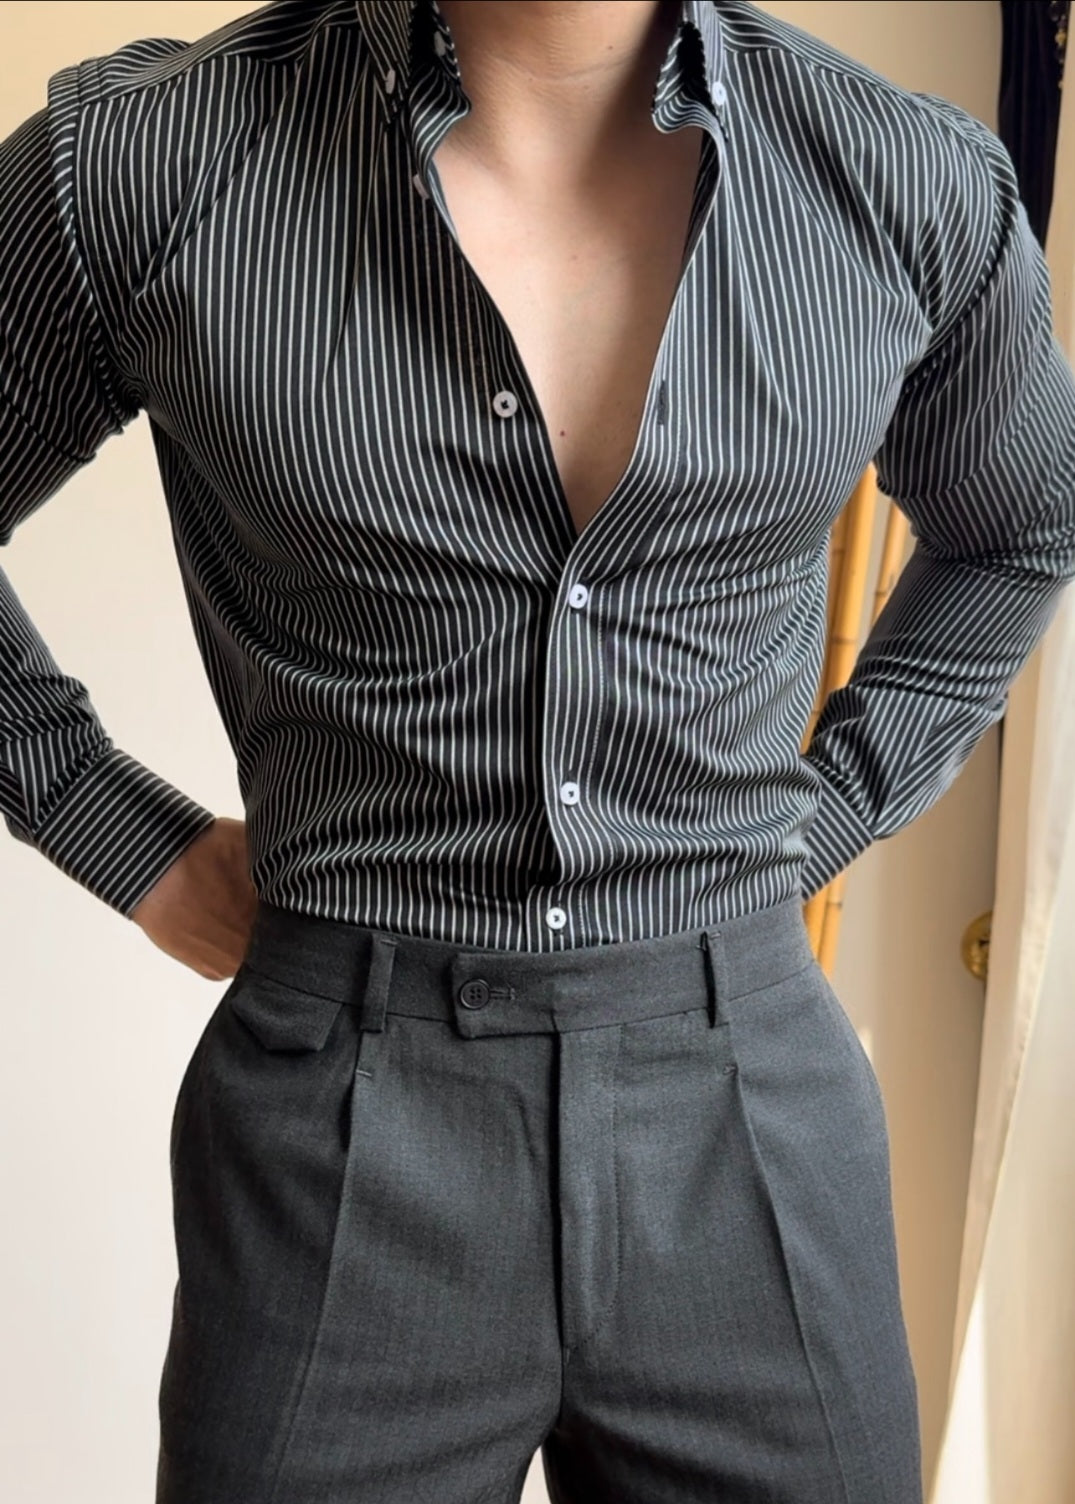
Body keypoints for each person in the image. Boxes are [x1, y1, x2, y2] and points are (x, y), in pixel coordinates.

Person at [2, 0, 1074, 1499]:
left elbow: (1022, 527)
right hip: (341, 1143)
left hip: (751, 1127)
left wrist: (818, 814)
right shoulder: (143, 165)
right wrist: (127, 838)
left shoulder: (905, 182)